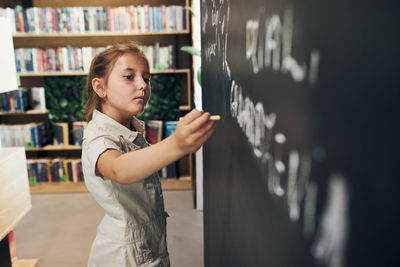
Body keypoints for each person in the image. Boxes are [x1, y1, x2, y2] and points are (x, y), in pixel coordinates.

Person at [81, 42, 216, 267]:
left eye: (146, 78)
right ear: (100, 87)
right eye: (129, 77)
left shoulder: (133, 128)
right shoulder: (98, 137)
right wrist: (177, 144)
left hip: (151, 244)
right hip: (124, 257)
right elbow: (119, 169)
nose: (142, 85)